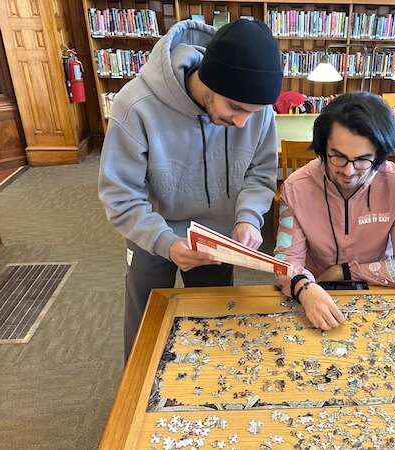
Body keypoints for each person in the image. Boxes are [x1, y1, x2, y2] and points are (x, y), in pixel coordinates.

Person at [98, 19, 283, 360]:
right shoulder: (135, 104)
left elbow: (260, 174)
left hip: (218, 239)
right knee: (146, 328)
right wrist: (165, 243)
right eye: (236, 109)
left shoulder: (257, 110)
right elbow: (121, 196)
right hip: (152, 235)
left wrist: (248, 218)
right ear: (209, 82)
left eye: (252, 113)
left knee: (213, 324)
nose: (242, 122)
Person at [274, 93, 395, 331]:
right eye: (338, 157)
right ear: (323, 147)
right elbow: (285, 262)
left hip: (376, 292)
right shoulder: (296, 188)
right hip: (312, 292)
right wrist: (303, 287)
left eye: (363, 160)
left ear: (379, 154)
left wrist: (343, 271)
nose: (348, 171)